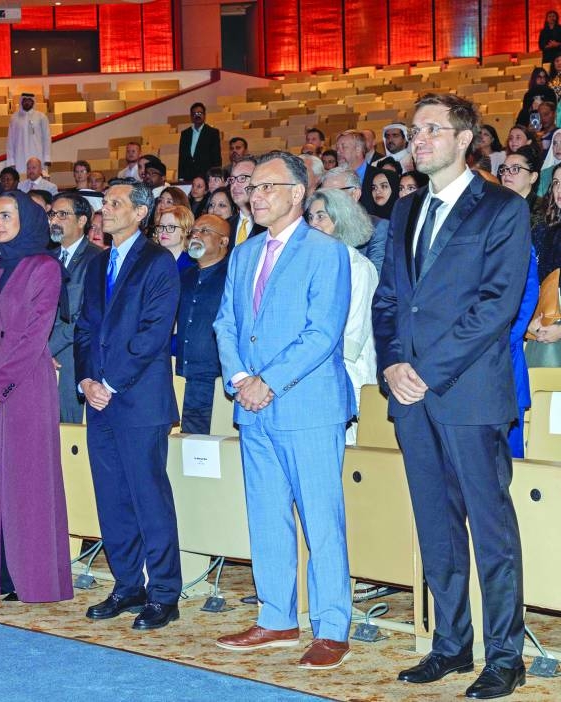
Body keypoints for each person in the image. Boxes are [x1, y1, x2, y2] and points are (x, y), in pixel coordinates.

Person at [372, 94, 529, 699]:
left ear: (467, 139)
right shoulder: (407, 209)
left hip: (466, 394)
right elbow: (389, 300)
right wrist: (392, 365)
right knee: (435, 527)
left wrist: (424, 370)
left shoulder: (502, 208)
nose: (420, 138)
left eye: (433, 129)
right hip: (410, 395)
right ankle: (450, 644)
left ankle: (505, 655)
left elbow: (496, 306)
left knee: (490, 530)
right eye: (415, 130)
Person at [212, 152, 353, 669]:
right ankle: (276, 617)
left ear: (298, 193)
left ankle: (332, 625)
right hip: (253, 406)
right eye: (253, 186)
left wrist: (267, 381)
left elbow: (322, 332)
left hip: (307, 405)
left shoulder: (325, 252)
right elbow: (226, 323)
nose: (256, 194)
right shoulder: (245, 254)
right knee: (267, 515)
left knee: (320, 519)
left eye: (268, 185)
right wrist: (240, 379)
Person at [74, 179, 182, 630]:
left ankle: (163, 593)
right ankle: (126, 585)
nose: (107, 209)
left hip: (138, 401)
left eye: (117, 203)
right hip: (99, 401)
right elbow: (83, 326)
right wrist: (85, 379)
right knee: (112, 499)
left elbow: (153, 334)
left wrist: (109, 382)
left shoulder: (158, 262)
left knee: (148, 497)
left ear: (142, 213)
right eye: (105, 203)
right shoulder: (99, 264)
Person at [0, 191, 72, 604]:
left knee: (27, 480)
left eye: (6, 215)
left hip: (25, 386)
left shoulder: (45, 267)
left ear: (26, 219)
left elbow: (34, 336)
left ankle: (34, 576)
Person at [306, 190, 378, 444]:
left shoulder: (359, 268)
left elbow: (352, 339)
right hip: (312, 379)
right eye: (311, 217)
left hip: (347, 379)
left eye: (321, 216)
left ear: (341, 220)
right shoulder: (309, 267)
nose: (313, 223)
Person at [47, 192, 102, 424]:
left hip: (73, 358)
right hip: (43, 356)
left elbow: (85, 317)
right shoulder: (46, 257)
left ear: (82, 221)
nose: (54, 220)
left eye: (62, 214)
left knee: (70, 432)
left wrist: (47, 347)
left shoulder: (97, 258)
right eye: (52, 214)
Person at [175, 214, 230, 434]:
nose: (196, 235)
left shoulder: (233, 276)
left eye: (205, 231)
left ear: (224, 241)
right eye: (193, 232)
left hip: (215, 383)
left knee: (209, 455)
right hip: (181, 378)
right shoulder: (184, 275)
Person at [527, 167, 561, 369]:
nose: (559, 189)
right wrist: (528, 321)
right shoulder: (541, 232)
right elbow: (528, 282)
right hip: (542, 327)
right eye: (556, 183)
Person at [177, 102, 222, 181]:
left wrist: (216, 177)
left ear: (204, 115)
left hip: (206, 176)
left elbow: (216, 157)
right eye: (194, 113)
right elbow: (182, 157)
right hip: (188, 177)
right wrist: (180, 177)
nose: (197, 115)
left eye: (200, 113)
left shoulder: (212, 132)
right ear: (191, 117)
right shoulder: (185, 134)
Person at [6, 93, 51, 170]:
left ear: (33, 102)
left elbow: (46, 138)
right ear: (21, 102)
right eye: (25, 100)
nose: (27, 102)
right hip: (20, 157)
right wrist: (11, 161)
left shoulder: (41, 117)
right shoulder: (14, 118)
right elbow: (10, 141)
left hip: (37, 154)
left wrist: (47, 157)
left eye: (29, 100)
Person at [156, 204, 195, 273]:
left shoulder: (192, 265)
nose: (164, 231)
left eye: (171, 227)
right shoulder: (152, 257)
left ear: (185, 230)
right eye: (161, 226)